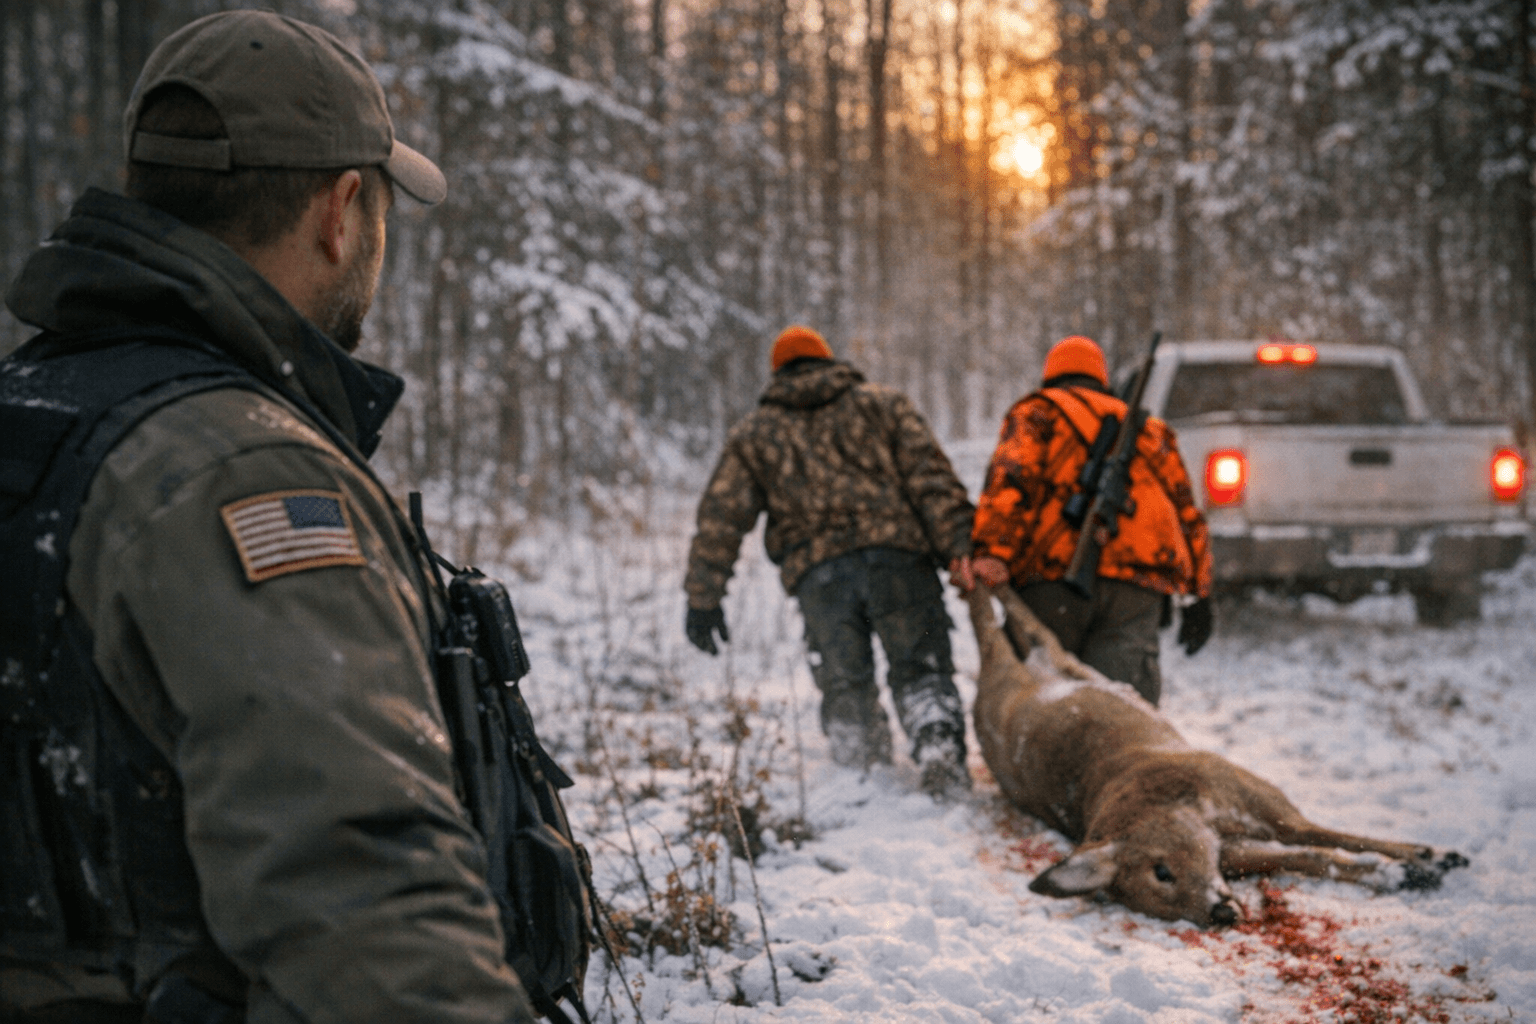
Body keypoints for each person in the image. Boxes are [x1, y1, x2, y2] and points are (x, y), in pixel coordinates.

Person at [0, 12, 543, 1023]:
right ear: (341, 213)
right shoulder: (242, 477)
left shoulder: (31, 416)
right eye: (379, 211)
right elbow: (372, 933)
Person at [683, 326, 978, 798]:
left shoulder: (756, 433)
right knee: (921, 668)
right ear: (828, 360)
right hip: (900, 564)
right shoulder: (882, 404)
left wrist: (704, 597)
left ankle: (862, 773)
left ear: (777, 372)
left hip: (820, 578)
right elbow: (932, 480)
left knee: (846, 684)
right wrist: (960, 548)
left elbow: (721, 517)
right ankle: (938, 745)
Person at [969, 334, 1214, 705]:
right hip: (1136, 589)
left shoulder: (1039, 411)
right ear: (1102, 380)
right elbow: (1187, 514)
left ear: (1049, 377)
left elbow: (1012, 483)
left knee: (1043, 706)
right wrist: (1200, 592)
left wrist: (992, 552)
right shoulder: (1152, 431)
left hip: (1051, 580)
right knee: (1124, 716)